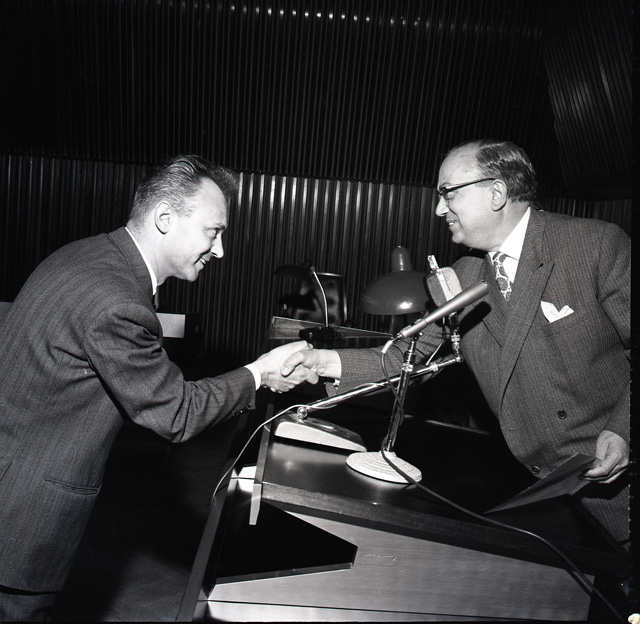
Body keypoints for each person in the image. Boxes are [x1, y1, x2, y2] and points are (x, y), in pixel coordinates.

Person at [0, 155, 317, 621]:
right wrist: (259, 372)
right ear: (165, 218)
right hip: (21, 512)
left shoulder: (89, 255)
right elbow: (176, 414)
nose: (220, 250)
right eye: (213, 232)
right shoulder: (117, 301)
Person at [281, 139, 630, 546]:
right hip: (544, 488)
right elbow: (406, 358)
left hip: (618, 477)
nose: (438, 209)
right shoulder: (462, 276)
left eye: (448, 193)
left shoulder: (594, 246)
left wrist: (622, 432)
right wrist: (320, 361)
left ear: (496, 192)